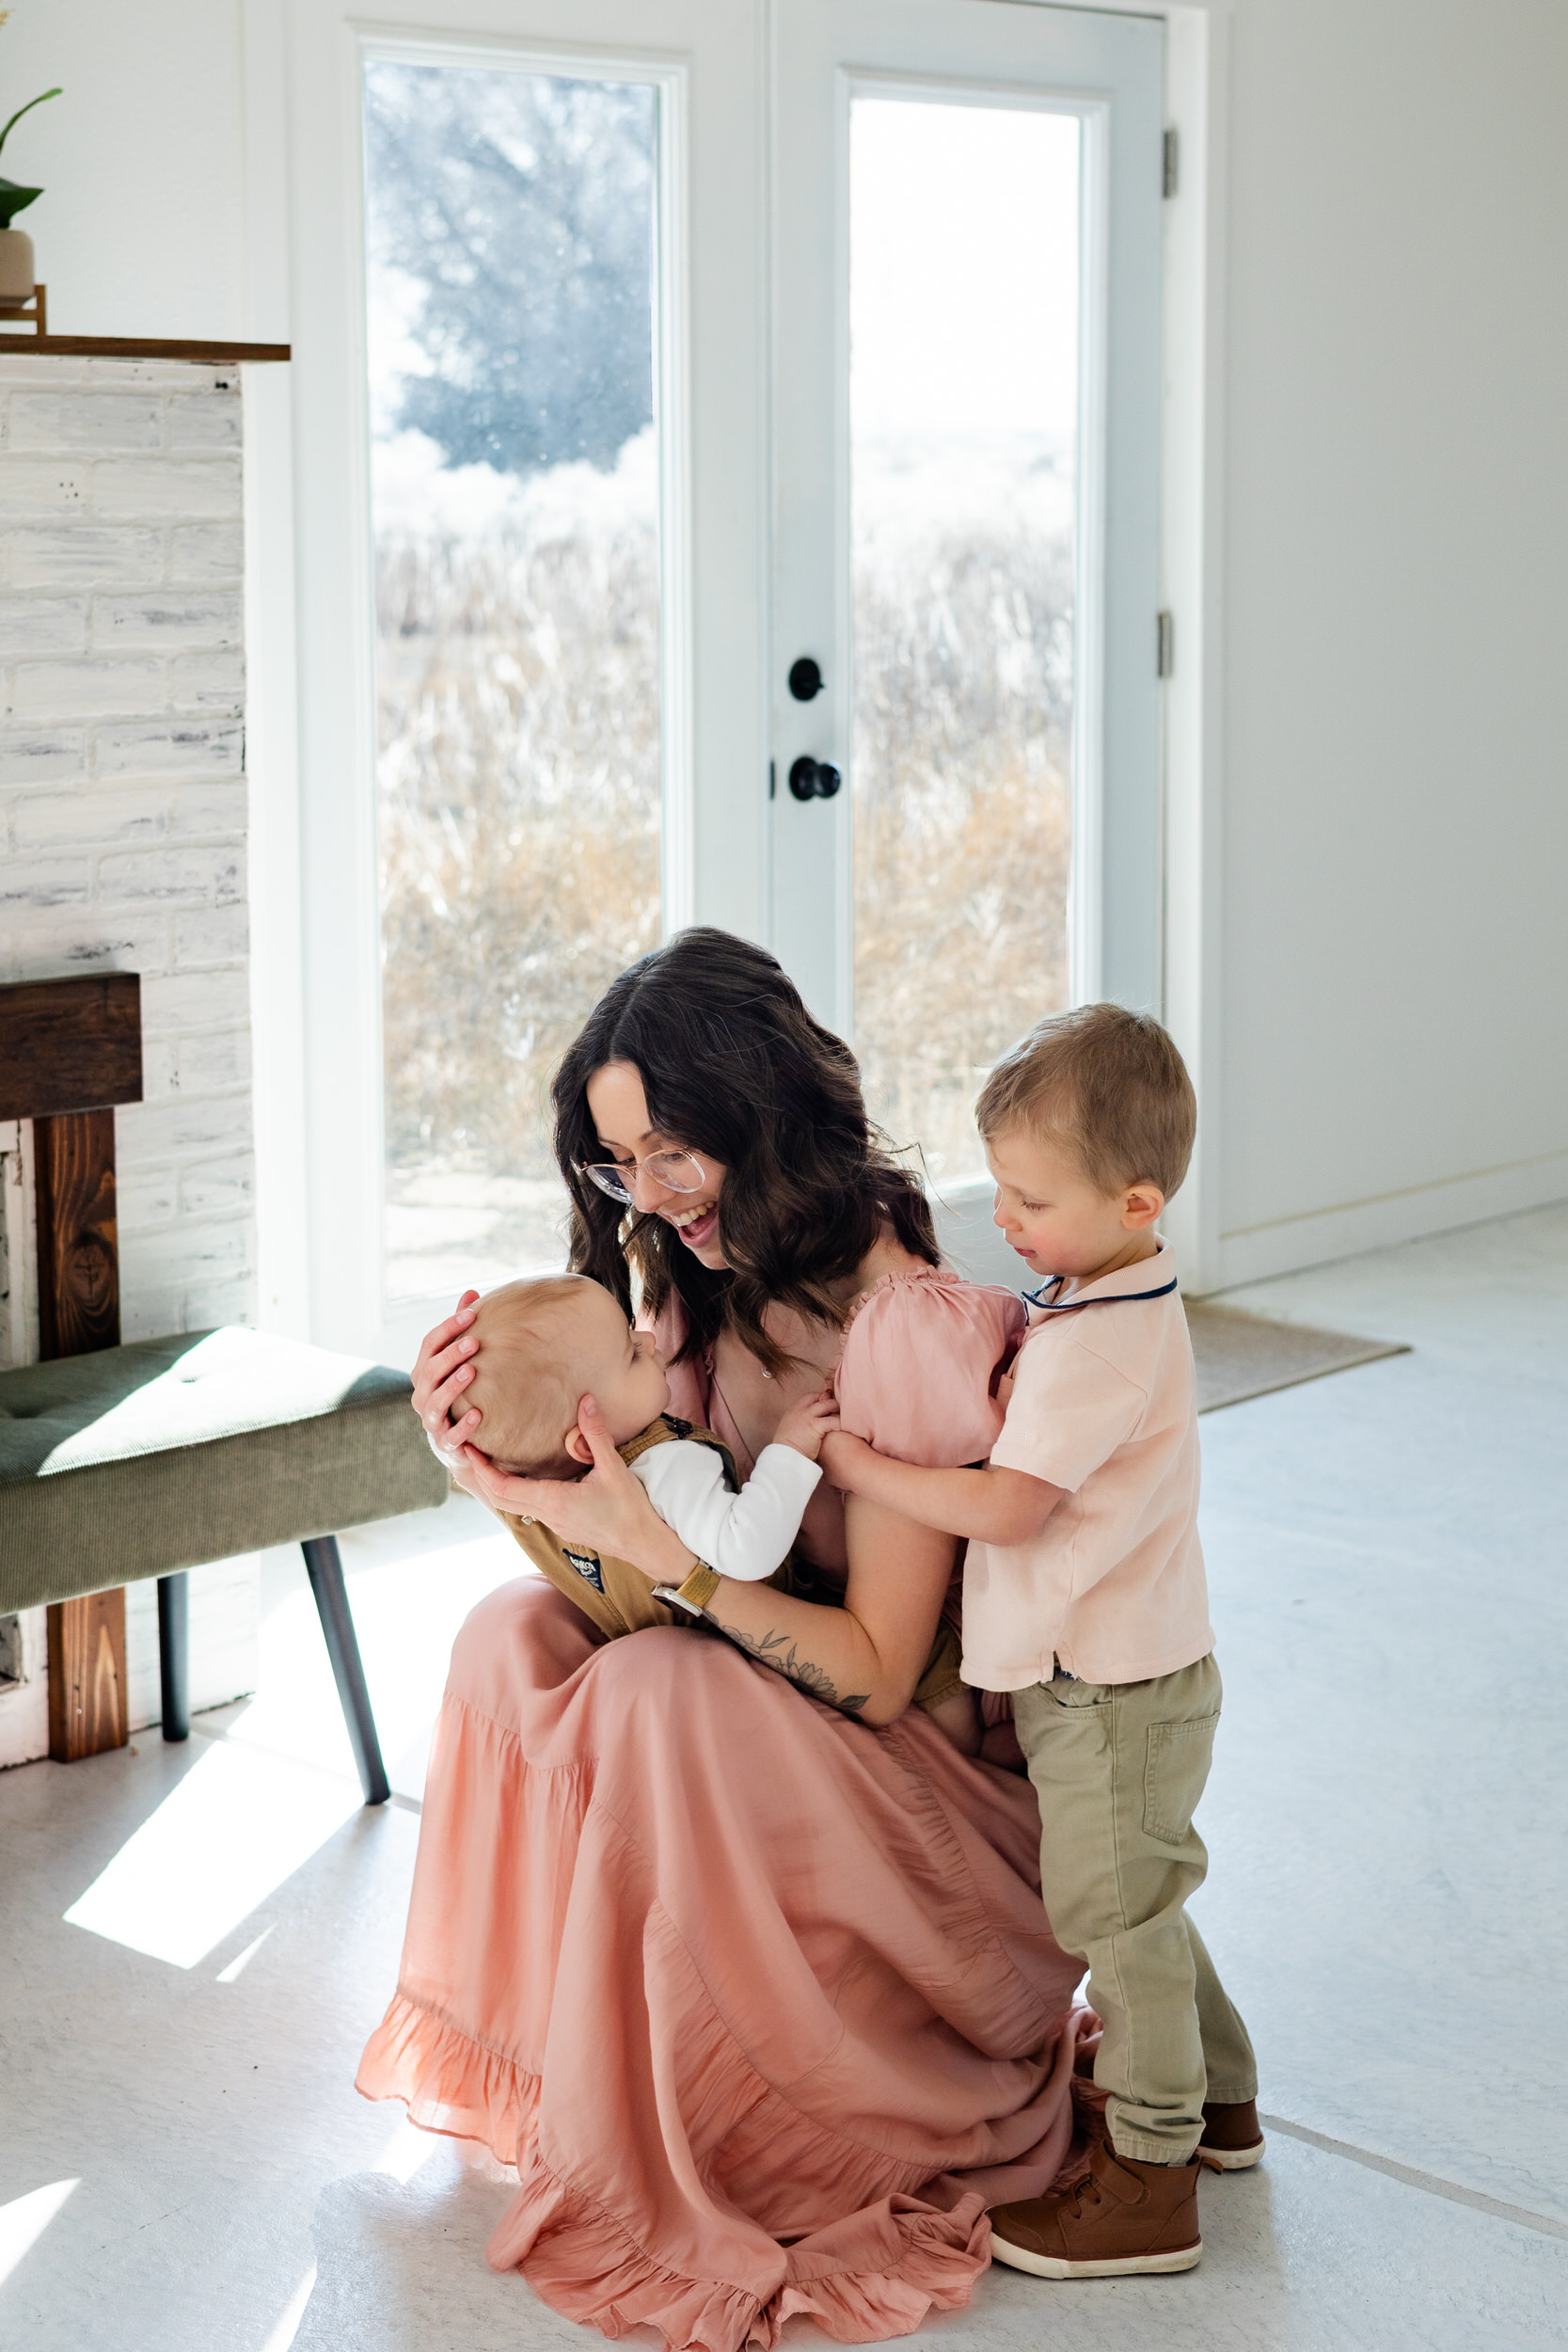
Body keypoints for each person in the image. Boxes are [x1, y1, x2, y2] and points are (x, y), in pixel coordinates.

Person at [356, 930, 1091, 2352]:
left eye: (675, 1150)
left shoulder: (902, 1330)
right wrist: (491, 1472)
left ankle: (754, 2112)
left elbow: (879, 1676)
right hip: (767, 1726)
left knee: (653, 1692)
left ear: (768, 1112)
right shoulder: (693, 1287)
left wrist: (676, 1570)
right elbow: (621, 1560)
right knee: (509, 1637)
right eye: (621, 1162)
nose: (651, 1193)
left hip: (933, 1814)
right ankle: (597, 2083)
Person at [820, 1003, 1260, 2282]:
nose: (1005, 1221)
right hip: (1124, 1674)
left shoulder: (1095, 1349)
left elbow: (1010, 1503)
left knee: (1112, 1920)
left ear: (1133, 1201)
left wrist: (859, 1461)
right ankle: (1218, 2101)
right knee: (1143, 1899)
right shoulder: (1104, 1290)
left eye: (1030, 1200)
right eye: (998, 1190)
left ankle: (1148, 2175)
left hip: (1108, 1689)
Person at [459, 1267, 836, 1588]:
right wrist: (789, 1451)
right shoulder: (668, 1466)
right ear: (590, 1443)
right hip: (723, 1649)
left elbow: (467, 1465)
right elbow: (747, 1551)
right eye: (633, 1352)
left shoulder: (538, 1494)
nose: (649, 1337)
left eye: (632, 1330)